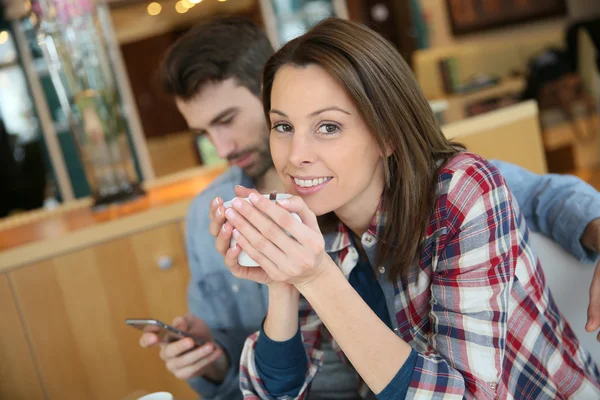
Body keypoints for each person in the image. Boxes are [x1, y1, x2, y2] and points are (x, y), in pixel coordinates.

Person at [140, 17, 600, 399]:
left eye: (328, 128)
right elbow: (270, 392)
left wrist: (314, 275)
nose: (295, 154)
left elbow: (463, 396)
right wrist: (282, 284)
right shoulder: (315, 218)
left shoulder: (461, 189)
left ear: (387, 132)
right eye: (283, 126)